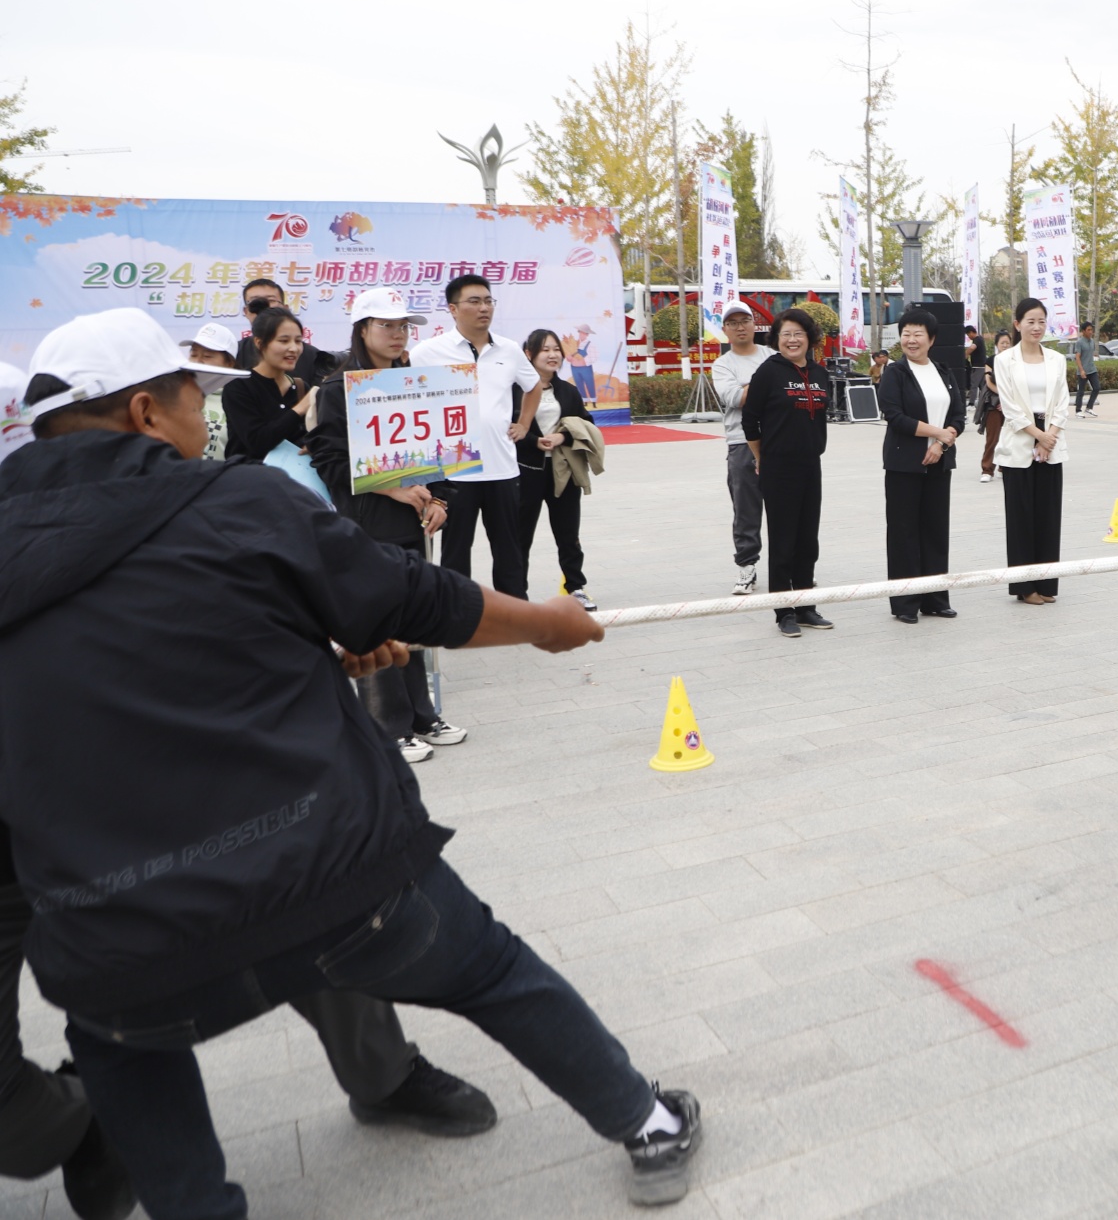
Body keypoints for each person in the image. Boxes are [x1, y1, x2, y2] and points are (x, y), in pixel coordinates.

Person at [0, 310, 701, 1216]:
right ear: (143, 411)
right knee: (488, 967)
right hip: (337, 885)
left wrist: (309, 645)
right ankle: (647, 1123)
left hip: (122, 944)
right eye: (190, 397)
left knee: (119, 1043)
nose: (201, 420)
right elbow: (410, 594)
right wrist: (544, 625)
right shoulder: (234, 501)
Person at [309, 288, 466, 763]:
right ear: (362, 330)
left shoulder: (418, 382)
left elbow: (440, 449)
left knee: (414, 618)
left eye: (403, 326)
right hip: (366, 524)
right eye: (386, 325)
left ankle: (422, 715)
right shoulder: (337, 390)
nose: (398, 334)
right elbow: (329, 459)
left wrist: (440, 499)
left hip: (414, 524)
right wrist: (390, 488)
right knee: (378, 624)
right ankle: (386, 726)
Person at [409, 274, 543, 600]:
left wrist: (524, 424)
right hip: (456, 471)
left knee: (509, 549)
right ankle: (459, 615)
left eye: (488, 301)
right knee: (456, 550)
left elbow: (534, 386)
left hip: (503, 468)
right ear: (453, 309)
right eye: (474, 301)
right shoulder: (427, 352)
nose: (483, 308)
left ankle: (515, 612)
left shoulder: (508, 350)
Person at [740, 308, 835, 638]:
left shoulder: (820, 373)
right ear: (777, 340)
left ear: (809, 339)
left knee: (808, 541)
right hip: (778, 468)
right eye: (786, 334)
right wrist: (760, 457)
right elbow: (749, 421)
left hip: (811, 466)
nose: (792, 340)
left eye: (798, 334)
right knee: (783, 541)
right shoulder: (768, 372)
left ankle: (806, 605)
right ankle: (784, 611)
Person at [877, 308, 965, 623]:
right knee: (903, 533)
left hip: (939, 463)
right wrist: (936, 433)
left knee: (935, 531)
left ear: (932, 339)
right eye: (906, 334)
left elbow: (958, 416)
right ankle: (905, 603)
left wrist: (941, 444)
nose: (911, 340)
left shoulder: (943, 371)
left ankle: (935, 599)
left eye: (918, 334)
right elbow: (895, 416)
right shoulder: (895, 373)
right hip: (904, 464)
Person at [517, 328, 598, 611]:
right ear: (529, 355)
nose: (552, 355)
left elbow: (586, 423)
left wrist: (562, 436)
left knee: (568, 534)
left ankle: (575, 587)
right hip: (525, 471)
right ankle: (517, 594)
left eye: (556, 350)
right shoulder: (516, 390)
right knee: (519, 536)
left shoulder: (568, 391)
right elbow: (506, 427)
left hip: (562, 470)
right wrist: (533, 441)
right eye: (545, 350)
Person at [993, 298, 1068, 604]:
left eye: (1041, 321)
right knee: (1021, 519)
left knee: (1049, 517)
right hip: (1020, 441)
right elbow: (1010, 407)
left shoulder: (1056, 359)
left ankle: (1047, 585)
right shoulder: (1005, 360)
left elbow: (1063, 401)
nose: (1036, 327)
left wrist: (1049, 437)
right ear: (1017, 324)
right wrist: (1037, 435)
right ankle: (1025, 587)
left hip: (1051, 442)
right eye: (1030, 321)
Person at [708, 300, 773, 593]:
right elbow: (734, 398)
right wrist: (764, 384)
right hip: (741, 443)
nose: (739, 327)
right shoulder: (722, 364)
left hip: (778, 440)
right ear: (725, 330)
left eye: (744, 320)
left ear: (754, 324)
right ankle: (747, 566)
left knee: (785, 507)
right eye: (732, 323)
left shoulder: (772, 354)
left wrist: (751, 387)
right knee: (746, 510)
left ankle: (793, 567)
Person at [220, 304, 314, 462]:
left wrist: (313, 445)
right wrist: (299, 409)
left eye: (298, 341)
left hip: (293, 483)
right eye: (284, 341)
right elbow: (257, 442)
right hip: (250, 482)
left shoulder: (300, 387)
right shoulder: (239, 386)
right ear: (259, 343)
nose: (294, 348)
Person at [233, 278, 338, 384]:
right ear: (246, 311)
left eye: (271, 301)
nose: (263, 307)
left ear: (285, 308)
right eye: (256, 302)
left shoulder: (313, 357)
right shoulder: (234, 353)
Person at [177, 323, 239, 460]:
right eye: (193, 354)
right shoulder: (175, 396)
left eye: (207, 356)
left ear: (229, 363)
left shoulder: (240, 402)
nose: (197, 362)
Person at [977, 329, 1015, 482]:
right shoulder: (991, 360)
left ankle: (1003, 467)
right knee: (992, 437)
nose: (1005, 345)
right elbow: (989, 383)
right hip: (993, 403)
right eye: (1002, 343)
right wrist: (1002, 399)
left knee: (1009, 437)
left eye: (1007, 343)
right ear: (997, 345)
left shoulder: (1015, 360)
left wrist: (1008, 402)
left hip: (1011, 403)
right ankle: (987, 469)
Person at [1071, 320, 1101, 417]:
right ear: (1083, 331)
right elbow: (1078, 357)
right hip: (1083, 371)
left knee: (1096, 388)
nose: (1090, 332)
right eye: (1088, 330)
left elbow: (1090, 354)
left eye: (1091, 330)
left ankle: (1089, 408)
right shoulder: (1079, 342)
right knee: (1081, 391)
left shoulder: (1092, 341)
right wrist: (1081, 370)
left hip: (1092, 369)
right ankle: (1078, 411)